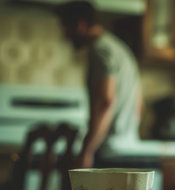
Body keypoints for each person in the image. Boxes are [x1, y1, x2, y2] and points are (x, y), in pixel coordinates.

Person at [55, 1, 143, 168]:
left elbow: (105, 102)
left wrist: (87, 151)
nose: (64, 35)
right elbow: (139, 105)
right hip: (129, 145)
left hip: (109, 151)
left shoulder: (100, 50)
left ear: (80, 24)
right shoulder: (120, 49)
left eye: (65, 27)